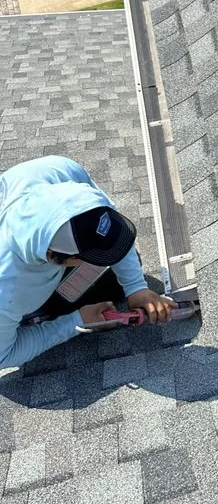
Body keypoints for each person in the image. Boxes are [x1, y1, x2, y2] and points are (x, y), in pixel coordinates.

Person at [0, 155, 176, 370]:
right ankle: (35, 316)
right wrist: (76, 321)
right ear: (52, 256)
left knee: (120, 273)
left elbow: (109, 226)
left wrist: (136, 287)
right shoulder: (7, 290)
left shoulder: (59, 170)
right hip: (13, 302)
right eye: (85, 255)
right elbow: (4, 356)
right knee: (68, 303)